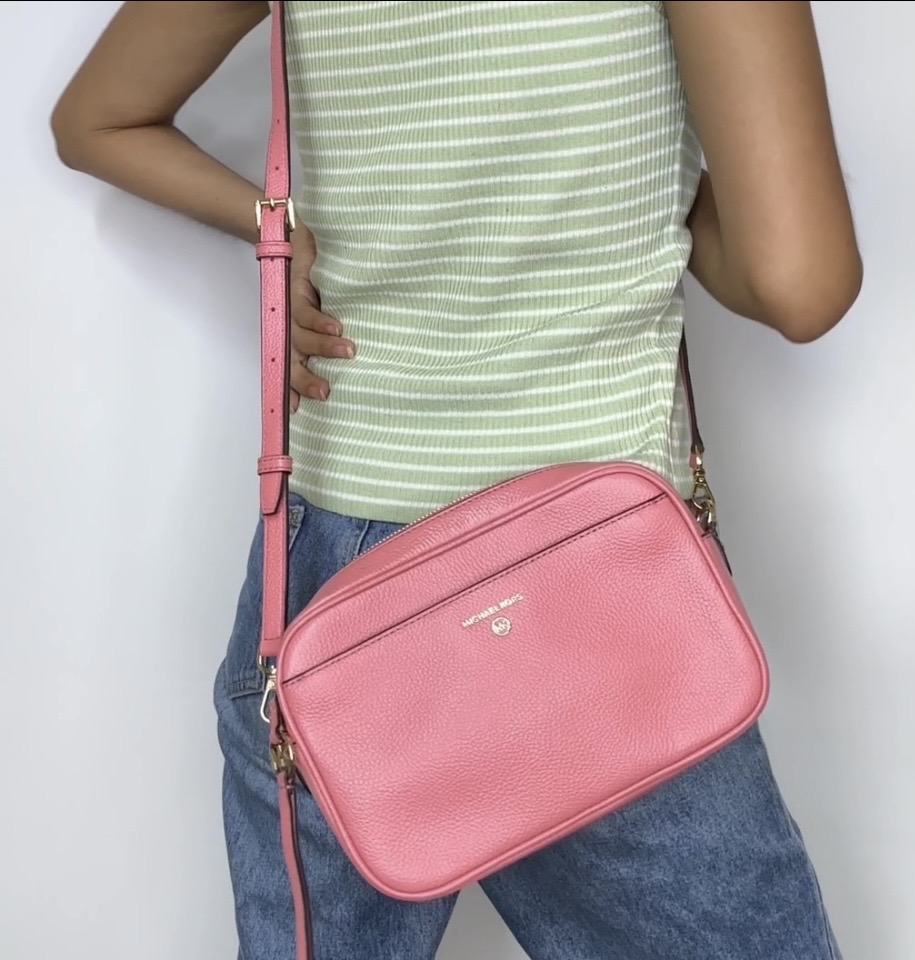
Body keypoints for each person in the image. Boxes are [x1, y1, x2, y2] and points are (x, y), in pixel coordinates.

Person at [52, 3, 862, 958]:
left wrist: (279, 231)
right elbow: (800, 283)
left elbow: (96, 119)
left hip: (334, 580)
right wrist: (655, 181)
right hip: (598, 581)